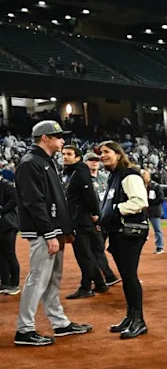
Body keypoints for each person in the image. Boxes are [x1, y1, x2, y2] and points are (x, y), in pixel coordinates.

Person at [14, 120, 92, 346]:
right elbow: (34, 202)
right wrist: (49, 233)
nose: (62, 140)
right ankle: (24, 329)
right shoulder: (30, 163)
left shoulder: (45, 162)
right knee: (38, 279)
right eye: (58, 136)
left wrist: (63, 230)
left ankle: (60, 323)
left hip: (54, 231)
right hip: (43, 232)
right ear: (45, 138)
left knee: (52, 280)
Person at [99, 141, 149, 339]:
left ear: (118, 154)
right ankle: (131, 316)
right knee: (127, 277)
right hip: (119, 232)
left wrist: (114, 210)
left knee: (130, 277)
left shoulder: (129, 174)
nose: (102, 155)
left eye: (106, 152)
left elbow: (139, 201)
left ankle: (139, 320)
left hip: (129, 232)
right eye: (101, 152)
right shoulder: (114, 176)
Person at [63, 144, 106, 299]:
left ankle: (86, 287)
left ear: (78, 157)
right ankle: (100, 283)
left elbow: (89, 195)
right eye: (63, 154)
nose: (65, 156)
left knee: (84, 255)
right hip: (81, 219)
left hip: (81, 220)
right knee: (87, 254)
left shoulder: (80, 172)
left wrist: (95, 213)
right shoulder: (73, 172)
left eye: (69, 154)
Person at [84, 152, 120, 288]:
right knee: (96, 249)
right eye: (91, 160)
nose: (94, 162)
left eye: (96, 160)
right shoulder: (83, 179)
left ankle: (99, 275)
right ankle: (105, 275)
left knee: (101, 248)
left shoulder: (105, 178)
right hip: (93, 220)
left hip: (106, 219)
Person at [0, 170, 20, 295]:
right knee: (1, 254)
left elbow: (15, 199)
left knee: (9, 253)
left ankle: (14, 283)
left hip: (8, 225)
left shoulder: (6, 185)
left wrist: (2, 210)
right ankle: (5, 281)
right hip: (4, 225)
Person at [142, 168, 165, 254]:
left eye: (145, 175)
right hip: (144, 211)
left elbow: (161, 198)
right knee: (142, 228)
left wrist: (150, 202)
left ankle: (160, 247)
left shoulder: (155, 186)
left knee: (157, 229)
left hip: (154, 211)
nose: (143, 177)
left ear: (149, 176)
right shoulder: (141, 186)